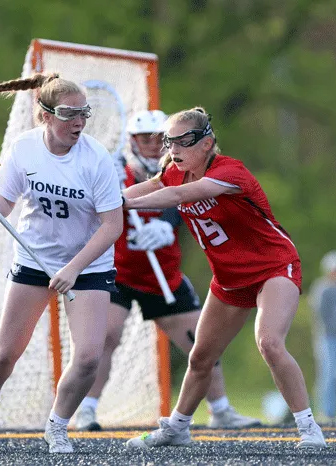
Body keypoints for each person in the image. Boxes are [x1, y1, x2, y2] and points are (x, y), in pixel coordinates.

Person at [122, 107, 327, 449]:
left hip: (273, 267)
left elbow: (174, 197)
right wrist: (98, 201)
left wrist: (120, 204)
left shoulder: (231, 172)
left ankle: (309, 428)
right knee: (201, 357)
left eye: (184, 142)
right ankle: (177, 428)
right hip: (229, 277)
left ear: (207, 143)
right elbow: (147, 189)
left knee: (269, 342)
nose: (174, 150)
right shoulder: (174, 172)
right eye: (169, 142)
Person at [0, 73, 124, 454]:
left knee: (88, 358)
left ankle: (57, 425)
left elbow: (113, 226)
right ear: (44, 115)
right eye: (69, 114)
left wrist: (74, 268)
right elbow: (3, 205)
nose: (78, 123)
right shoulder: (24, 149)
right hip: (35, 258)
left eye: (84, 114)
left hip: (89, 265)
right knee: (5, 353)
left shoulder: (96, 159)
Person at [75, 110, 260, 431]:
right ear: (132, 141)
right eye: (143, 139)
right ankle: (87, 410)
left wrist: (165, 223)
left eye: (157, 139)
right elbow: (102, 205)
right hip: (118, 271)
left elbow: (183, 197)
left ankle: (221, 410)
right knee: (106, 335)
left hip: (163, 271)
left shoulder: (182, 169)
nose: (151, 146)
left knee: (201, 342)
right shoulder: (115, 171)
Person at [308, 251, 336, 421]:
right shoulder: (323, 288)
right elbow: (320, 314)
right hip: (328, 338)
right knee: (328, 374)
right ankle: (326, 411)